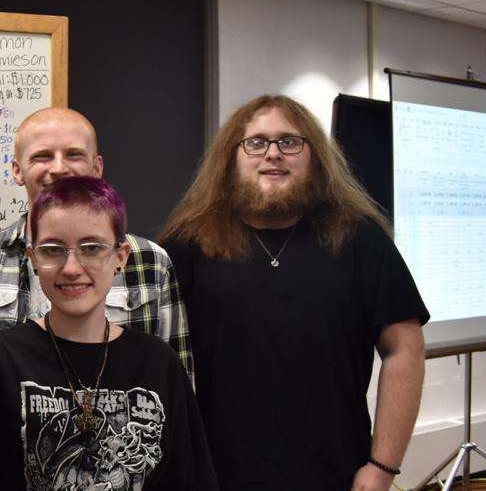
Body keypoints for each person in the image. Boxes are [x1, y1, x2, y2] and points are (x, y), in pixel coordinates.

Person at [160, 94, 428, 491]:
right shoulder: (188, 244)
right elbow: (154, 361)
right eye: (256, 142)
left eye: (289, 141)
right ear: (230, 158)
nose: (273, 154)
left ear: (315, 158)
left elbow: (405, 349)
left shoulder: (359, 238)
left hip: (337, 476)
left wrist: (382, 467)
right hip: (216, 477)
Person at [0, 176, 217, 491]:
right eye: (53, 250)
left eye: (92, 248)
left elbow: (189, 478)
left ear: (120, 257)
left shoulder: (159, 364)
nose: (71, 268)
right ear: (33, 258)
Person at [0, 106, 193, 381]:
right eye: (42, 156)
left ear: (97, 167)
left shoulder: (150, 260)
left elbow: (176, 380)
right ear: (17, 171)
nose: (59, 168)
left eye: (74, 154)